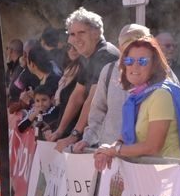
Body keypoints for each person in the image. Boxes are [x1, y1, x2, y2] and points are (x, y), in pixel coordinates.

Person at [92, 35, 180, 170]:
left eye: (142, 61)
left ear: (154, 65)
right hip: (149, 177)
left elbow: (152, 147)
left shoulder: (160, 94)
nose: (134, 66)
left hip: (169, 177)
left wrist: (115, 150)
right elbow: (127, 135)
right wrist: (109, 148)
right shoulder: (137, 96)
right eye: (129, 61)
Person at [60, 23, 147, 153]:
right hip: (109, 153)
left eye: (138, 42)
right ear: (120, 46)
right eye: (127, 43)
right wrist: (87, 139)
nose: (133, 47)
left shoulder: (161, 74)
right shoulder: (109, 71)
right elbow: (98, 110)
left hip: (144, 158)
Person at [47, 8, 119, 141]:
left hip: (108, 137)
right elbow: (77, 95)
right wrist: (60, 131)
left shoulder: (104, 55)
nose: (76, 39)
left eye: (81, 32)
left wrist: (74, 135)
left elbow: (92, 100)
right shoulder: (88, 56)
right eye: (72, 34)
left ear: (96, 33)